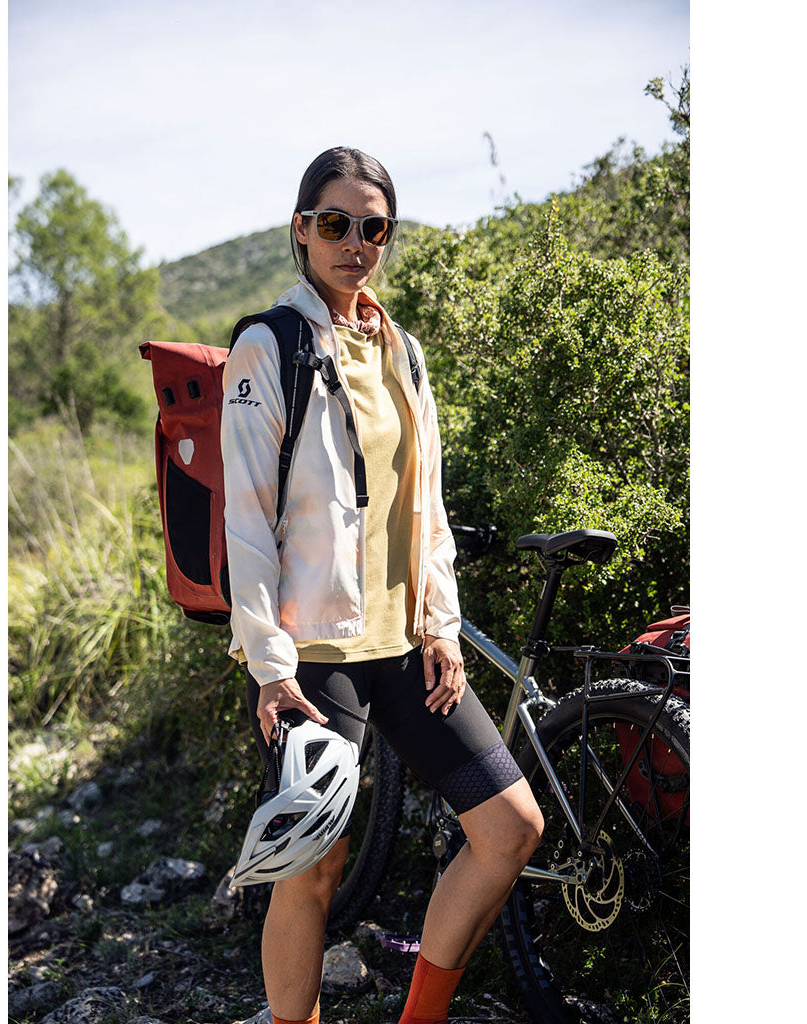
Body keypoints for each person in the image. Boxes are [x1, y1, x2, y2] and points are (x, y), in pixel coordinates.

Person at [220, 147, 544, 1024]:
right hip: (312, 658)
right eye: (335, 224)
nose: (354, 243)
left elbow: (425, 505)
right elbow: (245, 522)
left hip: (405, 648)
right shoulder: (269, 346)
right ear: (301, 229)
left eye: (373, 227)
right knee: (314, 865)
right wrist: (269, 669)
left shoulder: (403, 352)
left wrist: (442, 624)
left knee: (510, 828)